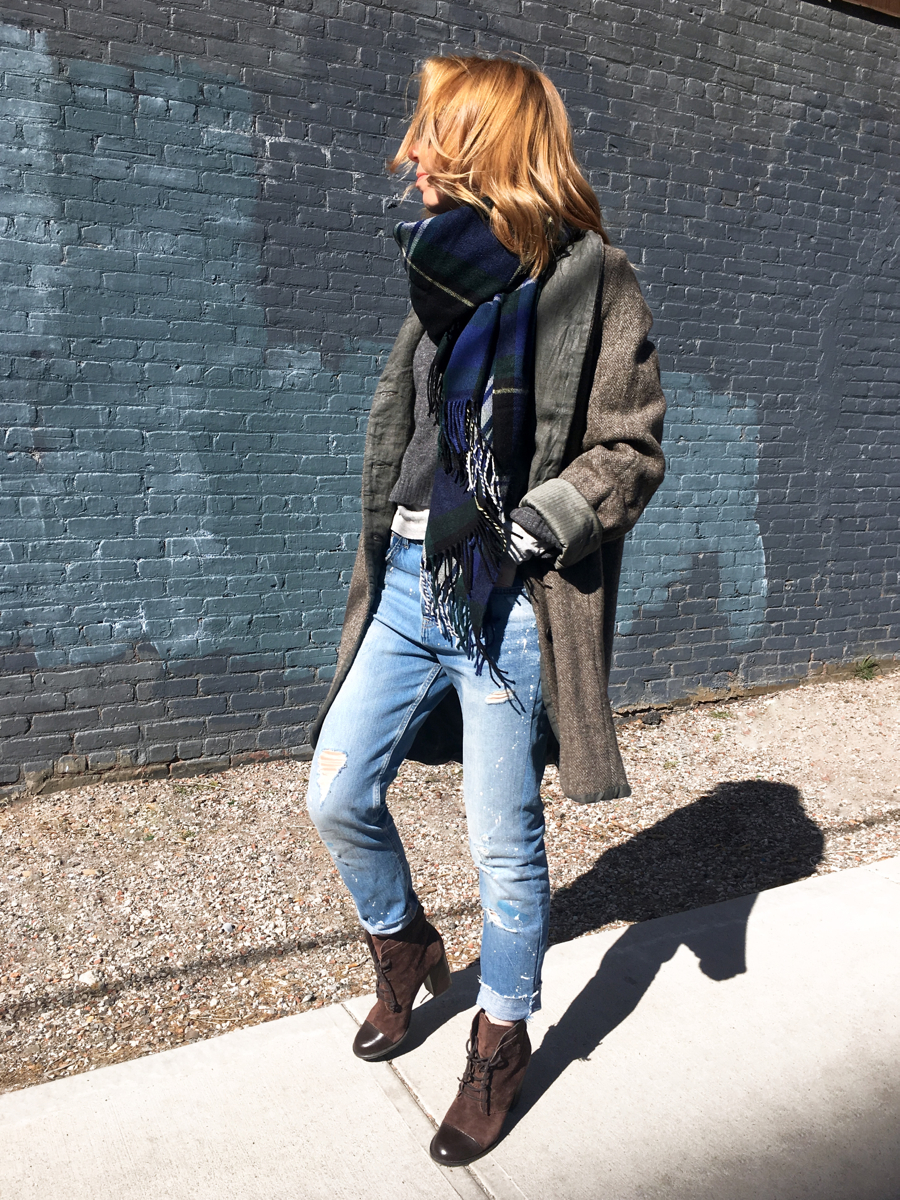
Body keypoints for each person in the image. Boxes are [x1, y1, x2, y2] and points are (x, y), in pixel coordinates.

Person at [306, 54, 666, 1167]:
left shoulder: (595, 281)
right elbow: (418, 441)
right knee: (335, 790)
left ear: (481, 148)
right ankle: (404, 941)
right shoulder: (443, 273)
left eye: (427, 136)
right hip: (412, 583)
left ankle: (501, 1040)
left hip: (507, 600)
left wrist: (550, 514)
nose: (408, 155)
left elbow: (632, 444)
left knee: (503, 849)